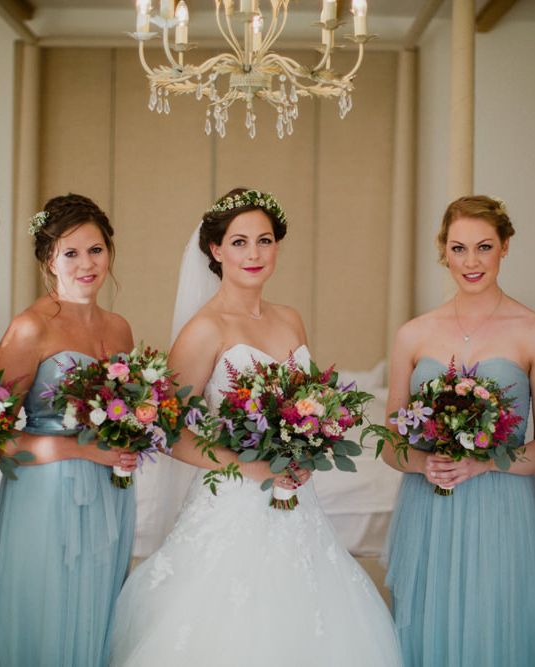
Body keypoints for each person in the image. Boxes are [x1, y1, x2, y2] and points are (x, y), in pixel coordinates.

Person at [110, 188, 401, 666]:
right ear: (215, 250)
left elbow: (306, 406)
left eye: (264, 241)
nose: (254, 254)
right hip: (233, 498)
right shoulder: (205, 329)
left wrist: (308, 446)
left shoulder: (290, 319)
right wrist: (249, 467)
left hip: (297, 498)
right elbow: (165, 430)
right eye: (239, 242)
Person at [0, 194, 138, 666]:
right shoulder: (32, 328)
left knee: (98, 605)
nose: (86, 264)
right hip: (47, 492)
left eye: (95, 250)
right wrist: (81, 451)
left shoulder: (120, 328)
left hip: (110, 488)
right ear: (49, 260)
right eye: (70, 253)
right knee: (48, 609)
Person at [382, 195, 535, 666]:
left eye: (484, 247)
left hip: (502, 508)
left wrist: (485, 461)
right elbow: (391, 444)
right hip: (428, 506)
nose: (471, 262)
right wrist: (424, 462)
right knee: (428, 622)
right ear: (443, 250)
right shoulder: (414, 333)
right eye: (459, 248)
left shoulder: (529, 331)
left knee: (494, 623)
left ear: (505, 247)